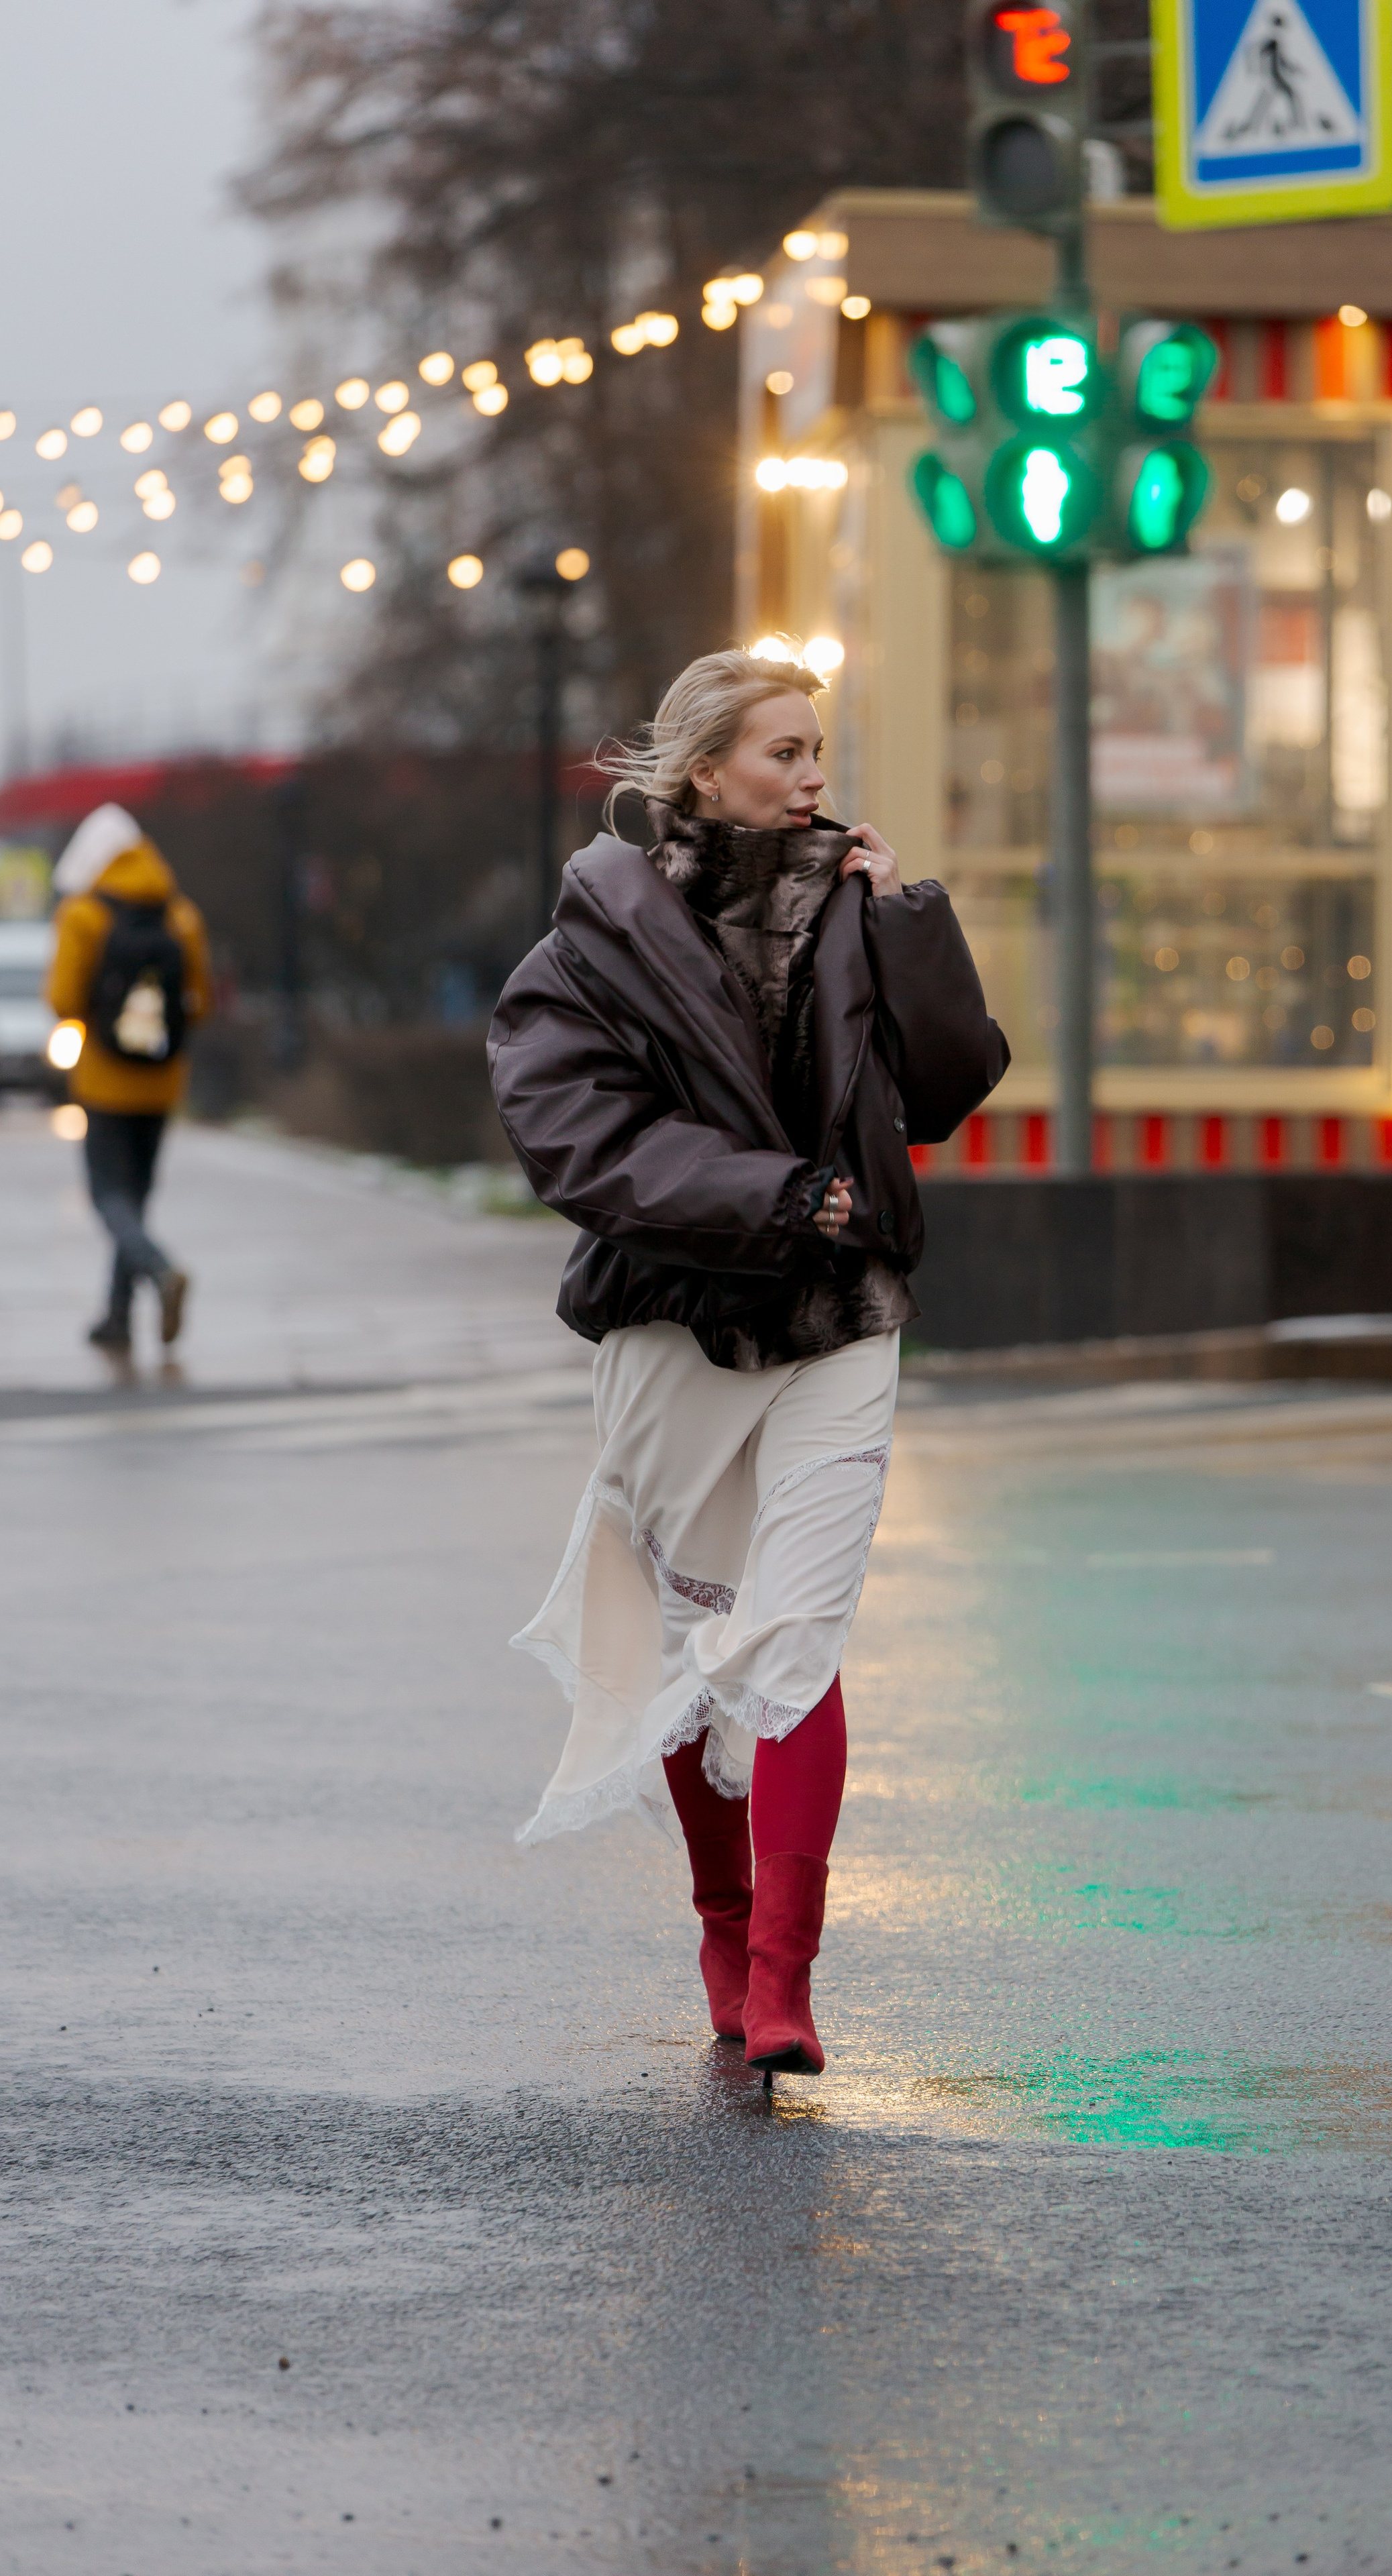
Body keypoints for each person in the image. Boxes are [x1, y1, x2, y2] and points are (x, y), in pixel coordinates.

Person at [489, 647, 1008, 2079]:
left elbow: (954, 1084)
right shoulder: (591, 945)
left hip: (842, 1315)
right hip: (676, 1323)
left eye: (816, 750)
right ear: (703, 769)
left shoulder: (854, 906)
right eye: (783, 753)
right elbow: (571, 1138)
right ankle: (722, 1926)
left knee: (798, 1628)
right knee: (683, 1645)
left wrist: (906, 923)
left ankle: (783, 1978)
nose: (813, 776)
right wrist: (769, 1195)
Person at [44, 802, 211, 1356]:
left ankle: (161, 1272)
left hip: (103, 1081)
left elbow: (63, 998)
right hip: (163, 1082)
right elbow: (201, 1002)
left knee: (108, 1196)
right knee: (136, 1197)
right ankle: (117, 1318)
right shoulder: (180, 915)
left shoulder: (84, 914)